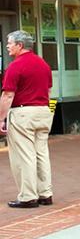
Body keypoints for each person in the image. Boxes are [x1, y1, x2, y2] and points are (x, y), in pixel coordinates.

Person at [0, 30, 54, 208]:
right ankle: (45, 194)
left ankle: (28, 196)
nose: (7, 45)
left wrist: (1, 119)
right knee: (41, 154)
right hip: (43, 111)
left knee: (24, 156)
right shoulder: (43, 64)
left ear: (20, 45)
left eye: (10, 42)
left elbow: (8, 95)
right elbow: (48, 91)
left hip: (23, 113)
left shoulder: (15, 66)